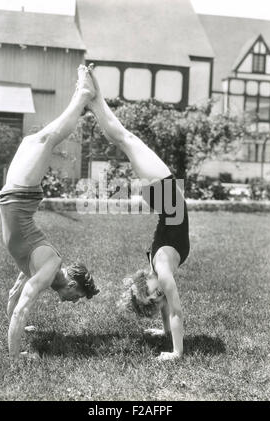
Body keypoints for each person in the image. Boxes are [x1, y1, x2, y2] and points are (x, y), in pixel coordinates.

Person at [86, 64, 189, 361]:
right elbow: (173, 308)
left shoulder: (162, 271)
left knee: (124, 139)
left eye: (152, 296)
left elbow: (171, 308)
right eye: (155, 297)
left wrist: (174, 347)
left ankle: (93, 98)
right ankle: (93, 99)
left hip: (165, 195)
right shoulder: (163, 271)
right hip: (167, 193)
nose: (158, 298)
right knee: (123, 138)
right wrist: (175, 349)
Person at [0, 64, 99, 360]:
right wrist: (16, 356)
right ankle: (82, 95)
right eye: (76, 297)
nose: (71, 302)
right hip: (20, 195)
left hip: (13, 195)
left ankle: (81, 92)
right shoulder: (49, 267)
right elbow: (21, 306)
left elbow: (12, 296)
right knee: (48, 139)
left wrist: (18, 324)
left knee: (35, 139)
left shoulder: (39, 267)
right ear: (72, 284)